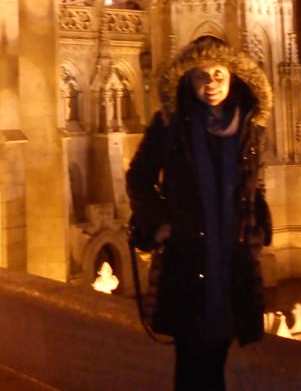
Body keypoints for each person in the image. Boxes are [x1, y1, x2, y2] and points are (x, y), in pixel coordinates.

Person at [126, 36, 272, 391]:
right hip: (189, 252)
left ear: (233, 77)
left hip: (232, 253)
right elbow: (138, 177)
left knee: (220, 347)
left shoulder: (251, 129)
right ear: (187, 82)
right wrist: (160, 222)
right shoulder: (171, 126)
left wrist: (257, 225)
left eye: (219, 75)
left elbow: (254, 184)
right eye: (201, 77)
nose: (211, 85)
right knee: (191, 352)